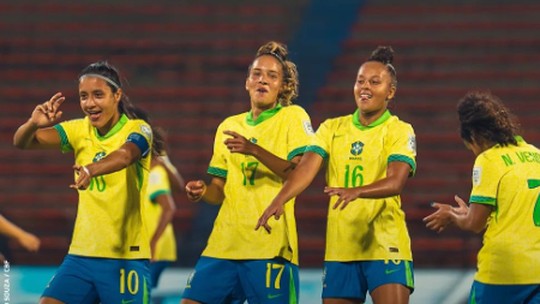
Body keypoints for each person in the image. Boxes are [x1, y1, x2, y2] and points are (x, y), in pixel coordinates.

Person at [257, 46, 417, 304]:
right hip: (340, 249)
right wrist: (280, 198)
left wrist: (357, 191)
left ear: (391, 92)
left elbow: (396, 181)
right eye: (360, 81)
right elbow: (306, 169)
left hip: (385, 245)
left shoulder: (399, 130)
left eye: (375, 82)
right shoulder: (332, 127)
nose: (365, 87)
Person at [182, 41, 315, 304]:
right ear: (247, 82)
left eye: (272, 76)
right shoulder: (229, 126)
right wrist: (203, 192)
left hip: (268, 245)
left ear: (283, 86)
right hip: (224, 244)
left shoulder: (292, 117)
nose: (262, 80)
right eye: (257, 74)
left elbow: (299, 172)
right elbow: (218, 191)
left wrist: (253, 149)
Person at [13, 61, 153, 304]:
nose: (90, 103)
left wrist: (91, 169)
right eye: (84, 96)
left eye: (98, 95)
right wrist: (33, 123)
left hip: (124, 258)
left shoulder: (139, 128)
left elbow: (126, 155)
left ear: (117, 95)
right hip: (80, 255)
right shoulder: (79, 129)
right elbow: (23, 142)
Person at [423, 91, 540, 304]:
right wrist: (472, 212)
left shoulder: (489, 160)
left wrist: (451, 215)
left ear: (474, 136)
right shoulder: (535, 155)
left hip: (503, 272)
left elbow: (474, 224)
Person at [139, 111, 184, 289]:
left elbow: (169, 208)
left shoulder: (155, 174)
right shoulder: (147, 172)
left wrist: (152, 242)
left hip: (153, 248)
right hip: (151, 247)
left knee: (141, 294)